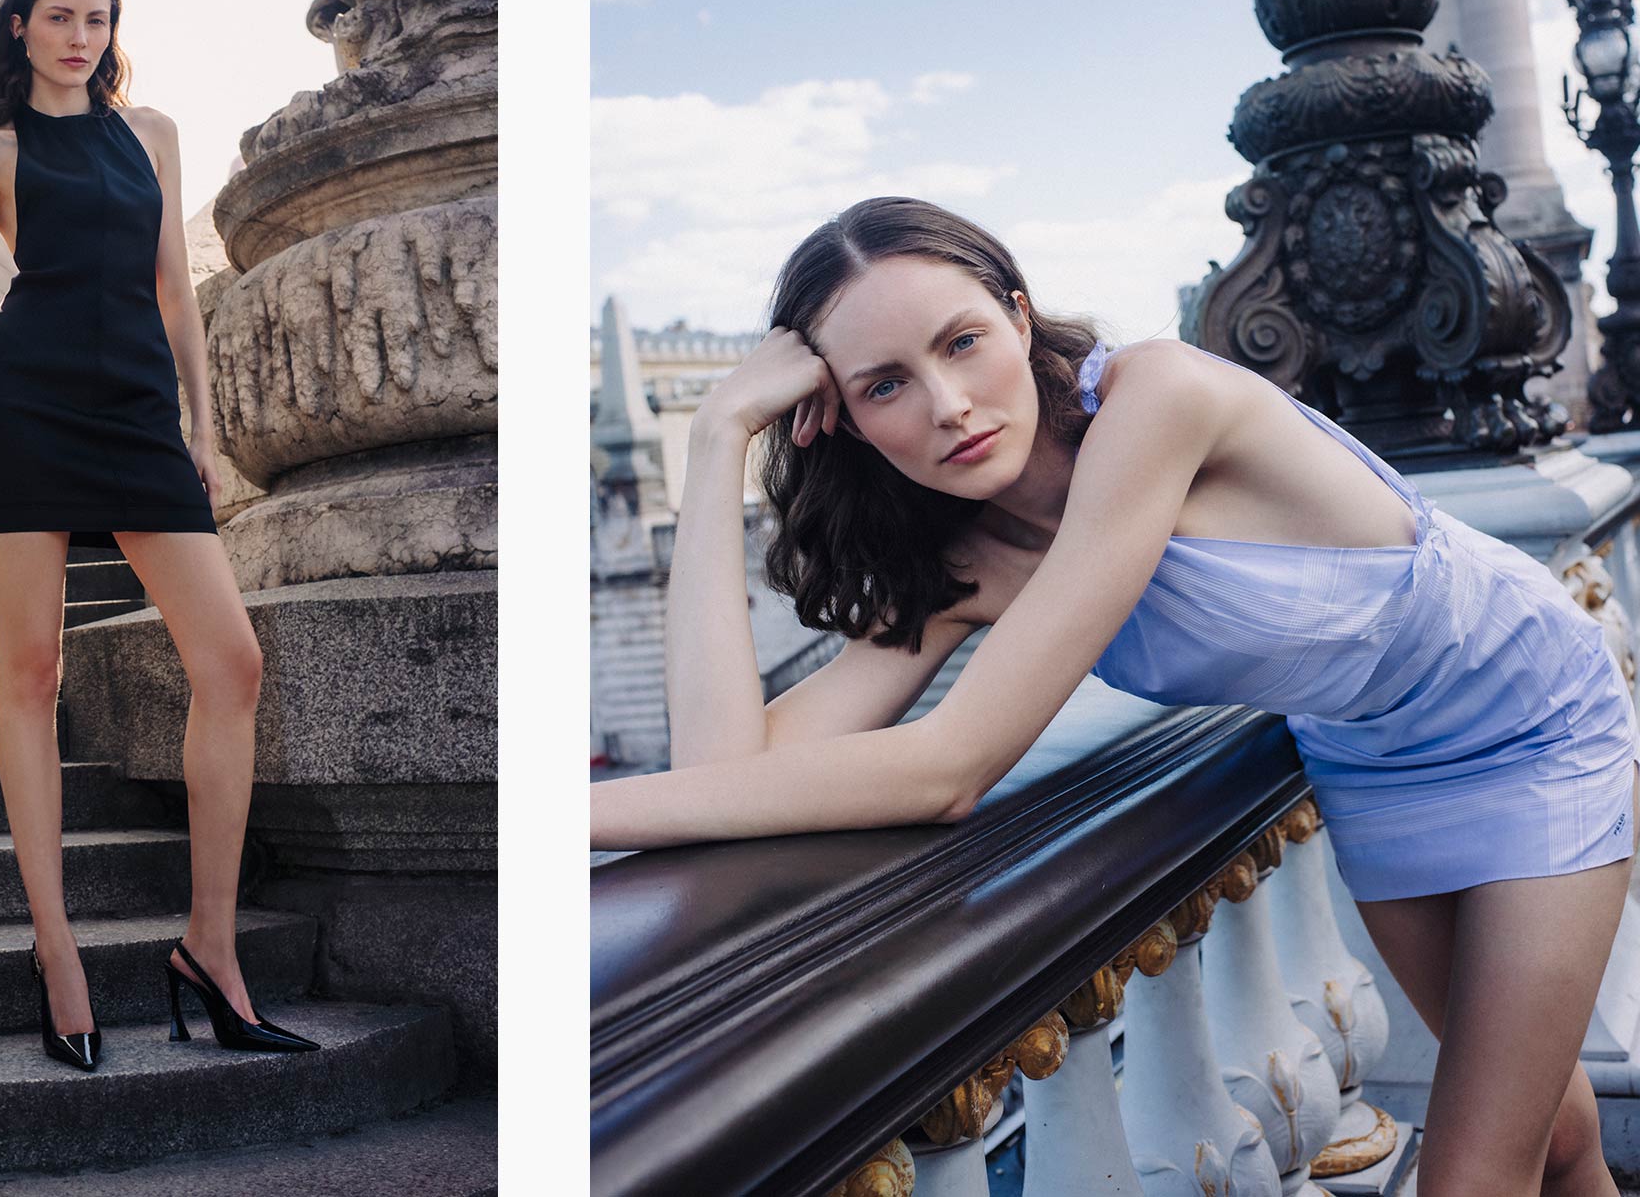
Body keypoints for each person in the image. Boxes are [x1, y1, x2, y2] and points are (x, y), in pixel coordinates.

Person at [589, 196, 1640, 1195]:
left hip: (1528, 720)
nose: (946, 404)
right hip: (1369, 757)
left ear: (1015, 315)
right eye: (883, 385)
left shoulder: (1159, 398)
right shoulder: (972, 559)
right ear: (851, 423)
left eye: (959, 342)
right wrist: (717, 431)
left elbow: (950, 766)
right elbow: (721, 767)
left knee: (1471, 1174)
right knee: (1547, 1132)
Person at [0, 0, 316, 1069]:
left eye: (97, 18)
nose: (79, 36)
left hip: (138, 412)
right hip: (26, 408)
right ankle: (57, 951)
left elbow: (175, 291)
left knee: (230, 661)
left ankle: (208, 945)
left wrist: (202, 427)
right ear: (17, 27)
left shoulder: (150, 134)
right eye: (58, 16)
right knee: (33, 673)